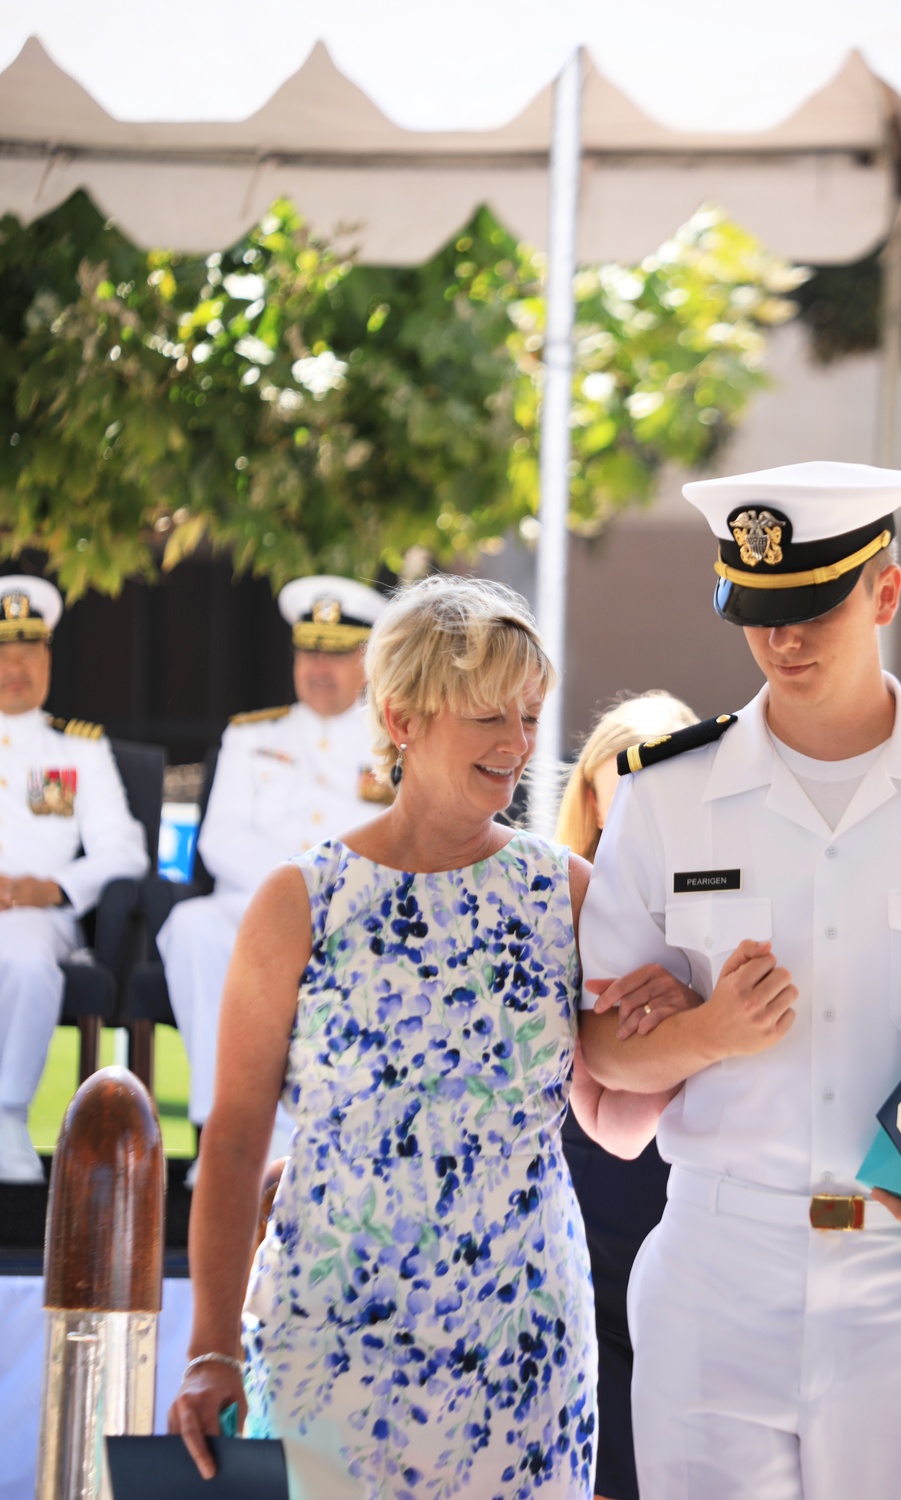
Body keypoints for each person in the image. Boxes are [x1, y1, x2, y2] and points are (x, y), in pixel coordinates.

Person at [578, 460, 901, 1500]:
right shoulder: (667, 798)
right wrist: (709, 1034)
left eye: (813, 606)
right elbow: (598, 1050)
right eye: (760, 612)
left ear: (885, 593)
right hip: (718, 1267)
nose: (784, 640)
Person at [168, 575, 602, 1498]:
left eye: (528, 716)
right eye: (491, 714)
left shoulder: (564, 892)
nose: (520, 746)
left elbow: (623, 1071)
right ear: (401, 718)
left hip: (522, 1342)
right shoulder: (300, 902)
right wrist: (209, 1346)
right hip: (328, 1340)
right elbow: (237, 1137)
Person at [157, 575, 386, 1174]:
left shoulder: (393, 743)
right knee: (190, 925)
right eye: (309, 650)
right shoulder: (251, 734)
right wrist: (293, 890)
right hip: (253, 903)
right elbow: (219, 839)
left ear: (366, 660)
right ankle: (224, 1129)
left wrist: (323, 898)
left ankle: (306, 1138)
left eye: (335, 653)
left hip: (347, 912)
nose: (319, 666)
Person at [557, 692, 698, 1500]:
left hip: (688, 1185)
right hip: (591, 1193)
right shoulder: (555, 896)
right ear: (591, 798)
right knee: (602, 1449)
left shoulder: (733, 891)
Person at [0, 575, 148, 1182]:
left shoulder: (80, 750)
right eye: (4, 652)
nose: (16, 666)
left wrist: (51, 887)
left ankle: (7, 1117)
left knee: (31, 957)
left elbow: (125, 851)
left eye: (29, 651)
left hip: (39, 916)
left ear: (49, 658)